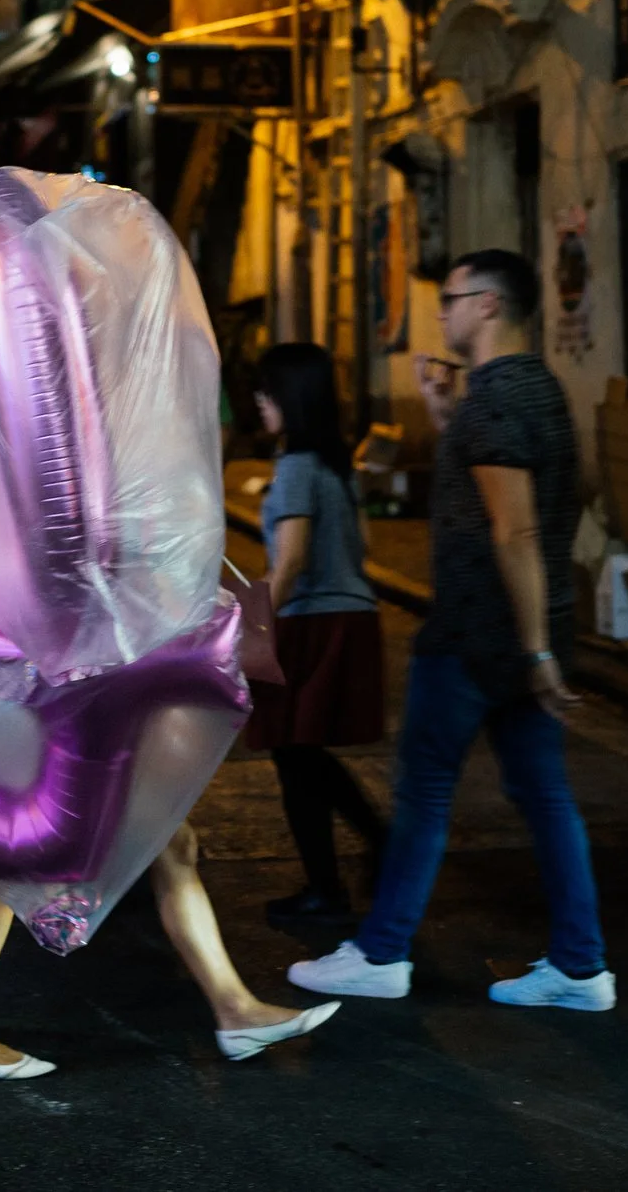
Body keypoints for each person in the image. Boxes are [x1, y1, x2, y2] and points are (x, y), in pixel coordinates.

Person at [288, 249, 615, 1012]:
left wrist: (534, 647)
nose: (442, 313)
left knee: (425, 789)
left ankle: (381, 951)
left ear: (489, 305)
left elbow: (515, 529)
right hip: (521, 629)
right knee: (544, 792)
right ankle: (579, 965)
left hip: (477, 633)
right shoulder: (540, 389)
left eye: (452, 298)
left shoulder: (494, 400)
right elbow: (569, 490)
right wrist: (442, 417)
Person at [0, 827, 339, 1079]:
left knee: (172, 841)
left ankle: (236, 1010)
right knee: (21, 859)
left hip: (104, 736)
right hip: (69, 735)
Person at [248, 342, 386, 924]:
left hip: (313, 620)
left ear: (292, 396)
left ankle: (329, 888)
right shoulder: (335, 464)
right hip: (349, 615)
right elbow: (365, 545)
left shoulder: (298, 466)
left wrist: (250, 626)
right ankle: (366, 854)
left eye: (268, 391)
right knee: (301, 753)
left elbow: (291, 561)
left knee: (295, 754)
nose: (259, 401)